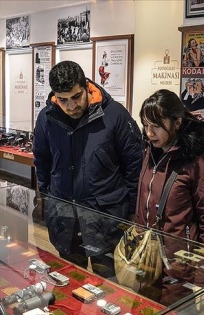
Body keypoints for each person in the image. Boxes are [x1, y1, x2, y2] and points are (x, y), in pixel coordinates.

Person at [33, 60, 143, 277]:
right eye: (63, 100)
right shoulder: (46, 119)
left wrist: (131, 211)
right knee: (70, 280)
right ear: (54, 96)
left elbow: (134, 165)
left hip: (106, 218)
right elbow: (42, 161)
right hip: (65, 218)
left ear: (86, 87)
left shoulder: (115, 115)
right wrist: (48, 197)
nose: (71, 106)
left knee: (109, 286)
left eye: (76, 97)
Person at [134, 89, 204, 305]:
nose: (149, 133)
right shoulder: (151, 152)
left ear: (177, 122)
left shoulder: (200, 160)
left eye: (156, 126)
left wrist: (203, 279)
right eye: (146, 125)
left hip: (179, 267)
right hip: (148, 260)